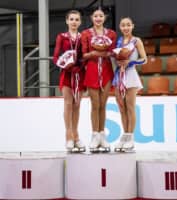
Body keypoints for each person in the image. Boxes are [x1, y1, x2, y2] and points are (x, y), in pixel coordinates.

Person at [81, 7, 117, 152]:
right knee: (95, 104)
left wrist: (107, 52)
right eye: (95, 16)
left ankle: (103, 135)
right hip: (92, 70)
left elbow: (114, 52)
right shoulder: (85, 34)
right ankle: (94, 135)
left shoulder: (112, 34)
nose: (98, 18)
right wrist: (94, 53)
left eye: (101, 16)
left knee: (103, 104)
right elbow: (83, 55)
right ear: (91, 18)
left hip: (107, 70)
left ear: (105, 18)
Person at [112, 17, 147, 152]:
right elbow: (114, 56)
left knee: (130, 106)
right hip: (119, 75)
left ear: (132, 26)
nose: (126, 27)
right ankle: (125, 135)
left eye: (128, 25)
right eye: (123, 25)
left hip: (131, 74)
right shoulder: (118, 42)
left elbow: (144, 59)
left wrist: (130, 63)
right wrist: (117, 61)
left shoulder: (136, 41)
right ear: (120, 27)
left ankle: (131, 137)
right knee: (121, 107)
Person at [53, 10, 86, 152]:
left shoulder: (83, 37)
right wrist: (66, 66)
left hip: (79, 74)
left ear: (80, 22)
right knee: (68, 104)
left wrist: (79, 66)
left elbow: (85, 55)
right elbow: (56, 57)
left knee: (77, 104)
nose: (74, 22)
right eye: (71, 19)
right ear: (67, 21)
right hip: (66, 74)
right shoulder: (61, 37)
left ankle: (76, 135)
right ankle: (69, 136)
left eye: (76, 19)